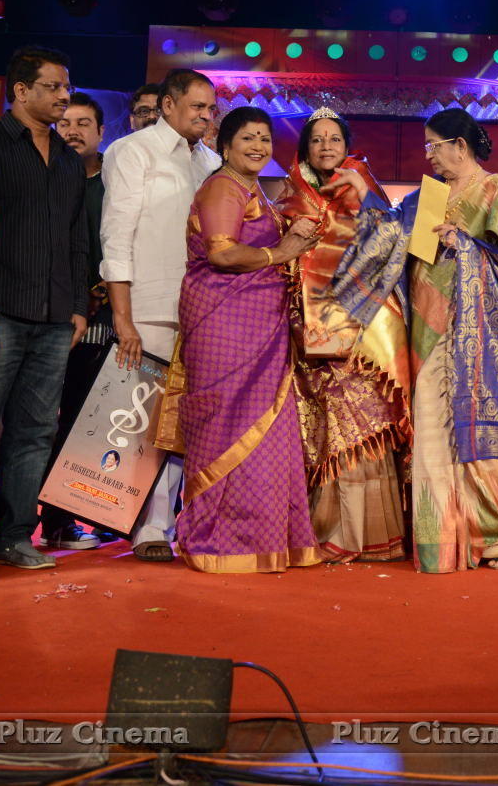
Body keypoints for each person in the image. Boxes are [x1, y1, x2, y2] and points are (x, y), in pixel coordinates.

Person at [327, 108, 498, 572]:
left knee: (481, 433)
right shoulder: (430, 196)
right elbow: (388, 238)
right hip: (429, 329)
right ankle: (438, 538)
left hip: (481, 337)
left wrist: (465, 244)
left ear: (459, 146)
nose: (429, 156)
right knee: (432, 428)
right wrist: (365, 197)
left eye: (433, 146)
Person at [172, 107, 322, 572]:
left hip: (259, 322)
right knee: (227, 425)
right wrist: (281, 250)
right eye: (247, 139)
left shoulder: (252, 189)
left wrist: (292, 235)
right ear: (225, 145)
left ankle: (263, 538)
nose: (257, 146)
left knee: (266, 429)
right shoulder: (222, 186)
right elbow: (222, 252)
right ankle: (220, 540)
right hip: (225, 324)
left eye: (264, 138)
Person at [276, 107, 411, 563]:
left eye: (335, 139)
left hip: (364, 335)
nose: (327, 146)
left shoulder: (366, 193)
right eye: (317, 140)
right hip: (309, 332)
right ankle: (326, 529)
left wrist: (365, 205)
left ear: (346, 145)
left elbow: (396, 250)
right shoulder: (290, 199)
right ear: (305, 148)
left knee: (366, 423)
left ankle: (370, 534)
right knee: (321, 427)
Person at [0, 47, 89, 571]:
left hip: (54, 318)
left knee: (36, 429)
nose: (64, 97)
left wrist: (79, 307)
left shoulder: (69, 160)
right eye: (53, 87)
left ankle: (15, 534)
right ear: (20, 92)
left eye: (66, 88)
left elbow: (77, 240)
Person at [101, 68, 221, 561]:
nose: (205, 116)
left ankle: (162, 523)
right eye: (196, 107)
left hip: (202, 309)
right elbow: (116, 235)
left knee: (180, 423)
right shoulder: (132, 151)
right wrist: (122, 316)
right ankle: (139, 524)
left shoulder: (212, 162)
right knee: (142, 421)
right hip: (149, 306)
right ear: (168, 105)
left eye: (210, 109)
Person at [43, 91, 111, 549]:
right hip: (52, 317)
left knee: (96, 422)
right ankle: (52, 521)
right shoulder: (47, 177)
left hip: (109, 319)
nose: (73, 131)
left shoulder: (117, 181)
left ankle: (89, 514)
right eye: (65, 123)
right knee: (49, 421)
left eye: (83, 123)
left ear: (101, 133)